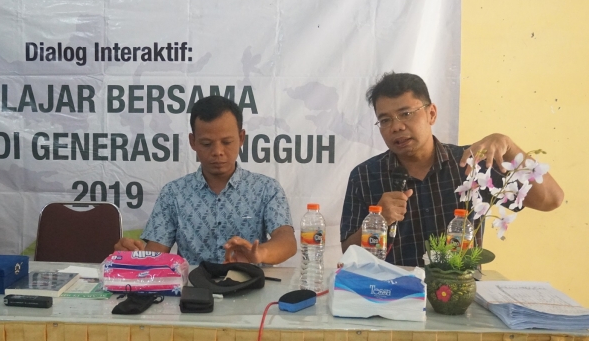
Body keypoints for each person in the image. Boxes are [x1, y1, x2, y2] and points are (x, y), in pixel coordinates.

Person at [340, 73, 563, 266]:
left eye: (406, 114)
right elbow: (349, 253)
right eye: (385, 120)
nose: (396, 126)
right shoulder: (365, 176)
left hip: (458, 294)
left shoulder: (472, 165)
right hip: (390, 294)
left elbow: (551, 200)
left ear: (431, 114)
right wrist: (377, 222)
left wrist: (509, 146)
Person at [114, 96, 297, 266]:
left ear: (241, 138)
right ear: (193, 141)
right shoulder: (173, 193)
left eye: (227, 142)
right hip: (193, 288)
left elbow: (287, 242)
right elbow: (154, 255)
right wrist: (132, 255)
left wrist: (260, 253)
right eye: (206, 144)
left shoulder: (266, 189)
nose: (217, 152)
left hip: (250, 285)